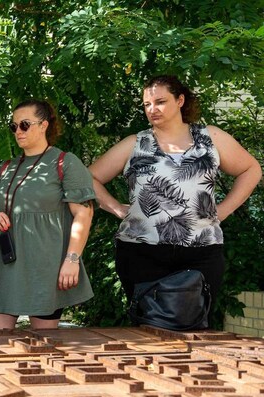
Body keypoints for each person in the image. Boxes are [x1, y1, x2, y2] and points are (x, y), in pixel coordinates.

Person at [89, 75, 261, 306]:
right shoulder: (135, 143)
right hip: (141, 252)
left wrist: (224, 210)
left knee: (195, 325)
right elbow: (88, 178)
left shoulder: (210, 138)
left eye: (160, 101)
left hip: (201, 252)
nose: (152, 109)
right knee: (149, 328)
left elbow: (251, 169)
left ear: (180, 100)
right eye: (147, 104)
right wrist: (117, 208)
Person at [0, 99, 96, 330]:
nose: (18, 131)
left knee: (44, 344)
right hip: (5, 264)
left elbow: (84, 215)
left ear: (44, 125)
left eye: (24, 124)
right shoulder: (5, 167)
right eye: (13, 126)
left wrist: (72, 260)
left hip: (46, 266)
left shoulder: (65, 162)